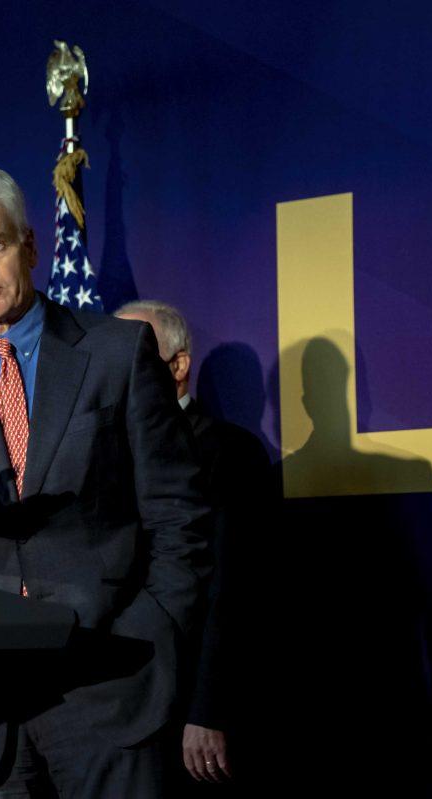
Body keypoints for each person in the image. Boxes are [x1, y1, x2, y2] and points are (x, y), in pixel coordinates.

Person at [0, 167, 208, 797]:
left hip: (107, 682)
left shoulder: (117, 352)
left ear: (28, 246)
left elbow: (178, 517)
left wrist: (156, 625)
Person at [115, 301, 272, 791]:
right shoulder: (102, 454)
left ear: (178, 365)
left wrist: (209, 710)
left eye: (133, 359)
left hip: (189, 715)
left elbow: (232, 589)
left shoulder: (229, 452)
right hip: (115, 708)